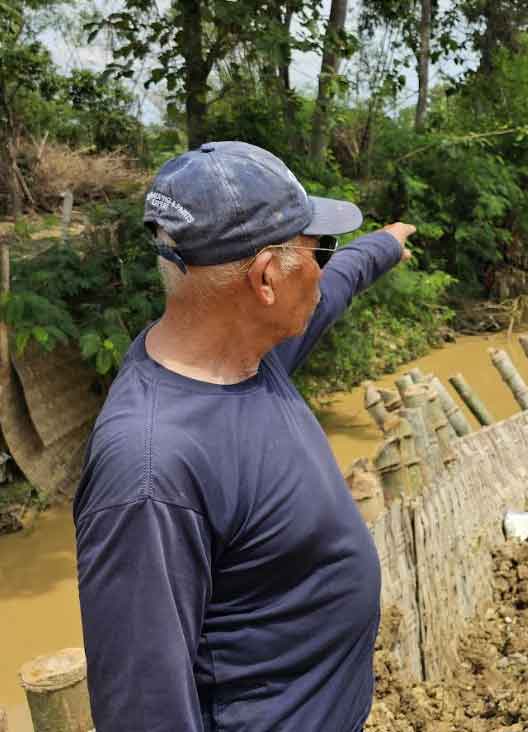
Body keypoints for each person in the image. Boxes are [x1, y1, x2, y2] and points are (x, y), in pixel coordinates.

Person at [73, 141, 415, 731]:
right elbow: (143, 711)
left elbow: (340, 284)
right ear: (264, 279)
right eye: (319, 251)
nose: (326, 268)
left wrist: (387, 243)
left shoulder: (254, 356)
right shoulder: (152, 470)